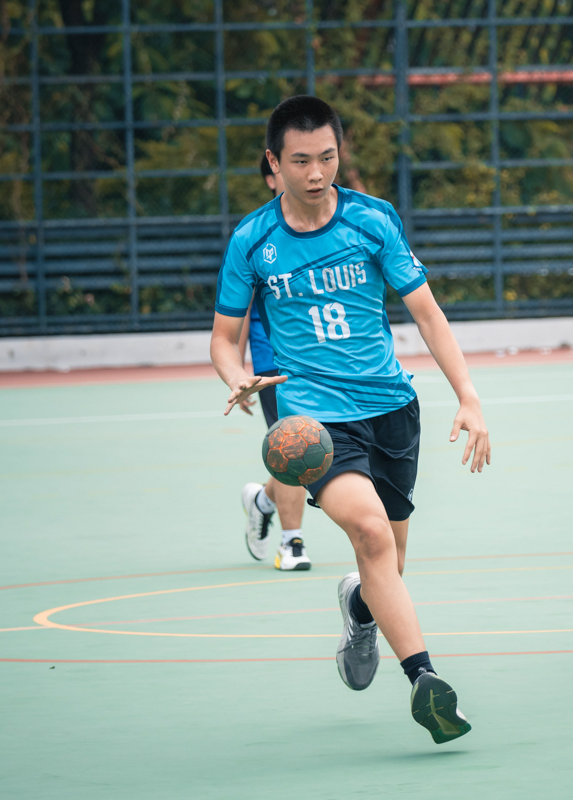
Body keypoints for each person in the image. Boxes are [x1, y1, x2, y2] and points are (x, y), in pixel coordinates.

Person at [210, 95, 490, 743]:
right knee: (370, 533)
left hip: (391, 410)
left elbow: (427, 313)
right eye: (300, 161)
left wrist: (468, 396)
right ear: (273, 164)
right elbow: (224, 339)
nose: (316, 173)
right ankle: (425, 681)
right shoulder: (253, 241)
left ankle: (360, 609)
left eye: (327, 157)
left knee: (388, 562)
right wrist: (236, 377)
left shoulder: (372, 220)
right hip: (314, 422)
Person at [239, 153, 311, 571]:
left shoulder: (322, 228)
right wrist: (237, 373)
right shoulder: (257, 238)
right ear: (272, 177)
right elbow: (236, 313)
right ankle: (292, 542)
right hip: (273, 361)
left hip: (319, 358)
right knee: (294, 444)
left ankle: (263, 501)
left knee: (317, 445)